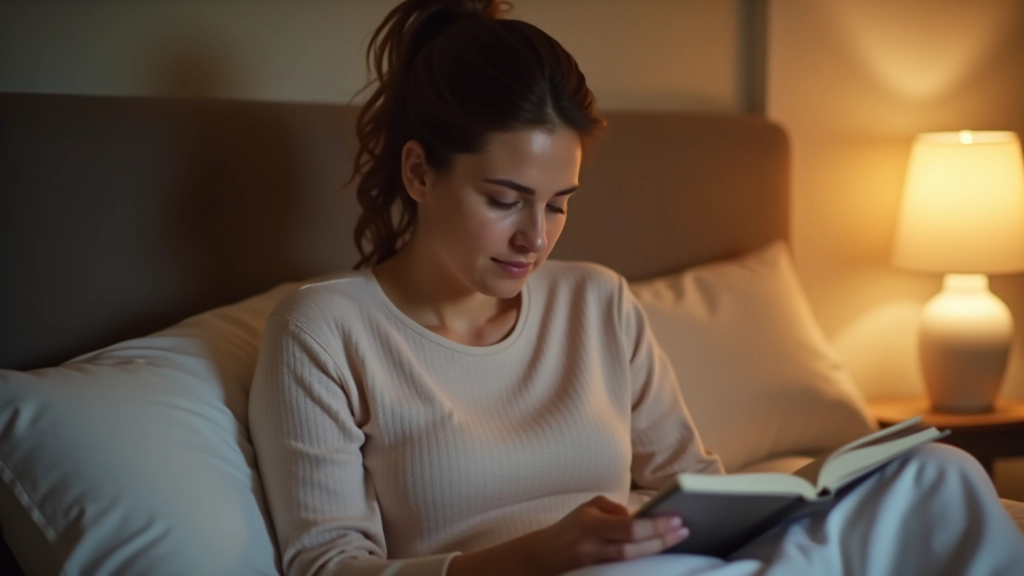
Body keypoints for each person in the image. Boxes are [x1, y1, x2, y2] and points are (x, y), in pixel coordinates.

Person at [248, 1, 1024, 575]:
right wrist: (535, 557)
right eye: (504, 199)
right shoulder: (325, 329)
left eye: (558, 204)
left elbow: (694, 484)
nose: (536, 237)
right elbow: (325, 566)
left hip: (664, 566)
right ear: (420, 172)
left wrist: (788, 499)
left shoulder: (598, 303)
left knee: (942, 475)